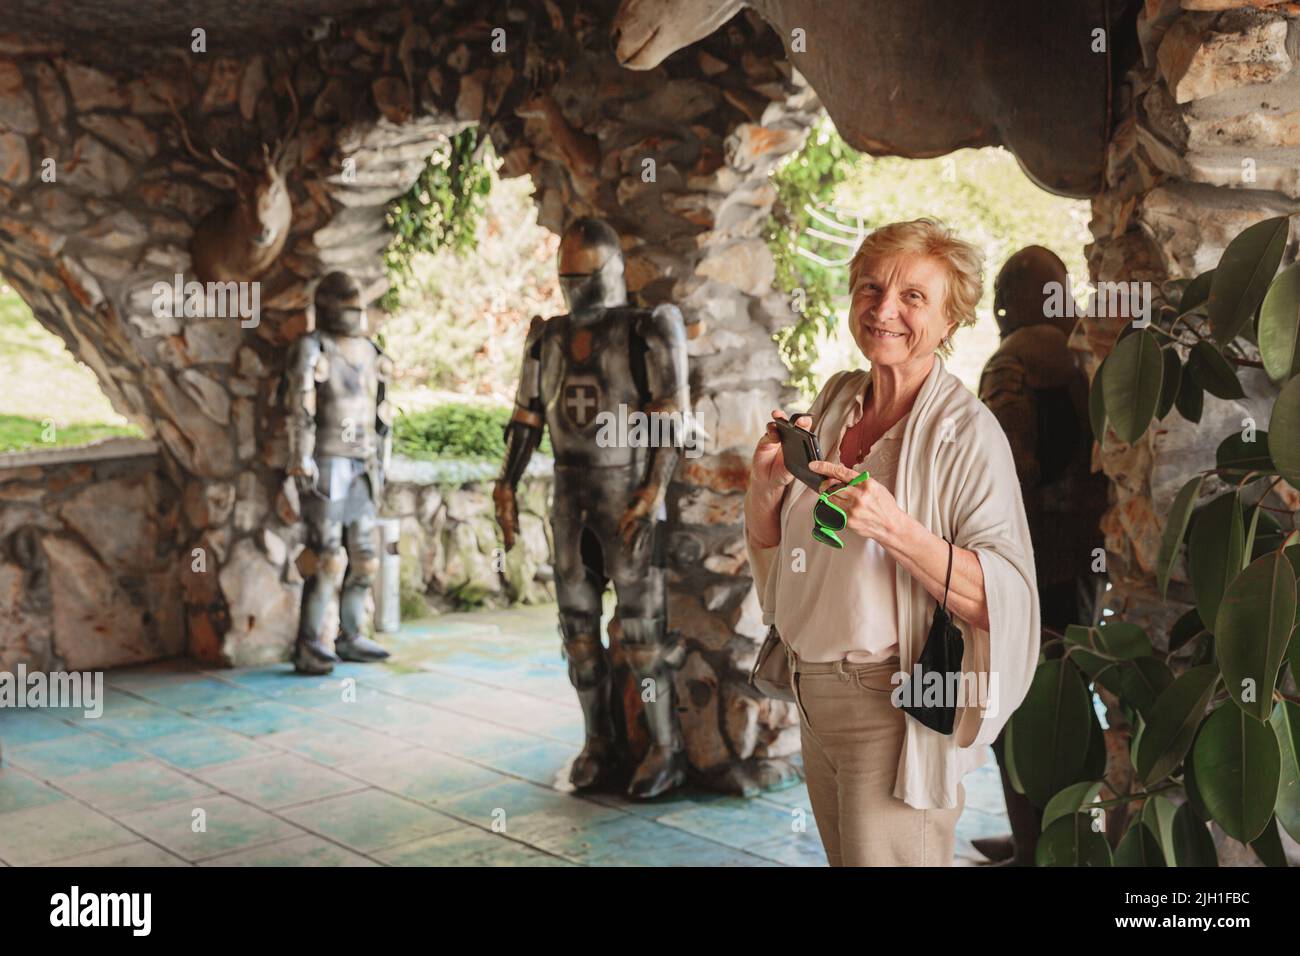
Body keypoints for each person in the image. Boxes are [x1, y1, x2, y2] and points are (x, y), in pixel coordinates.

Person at [743, 218, 1041, 866]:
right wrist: (766, 489)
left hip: (892, 708)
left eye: (914, 297)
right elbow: (790, 553)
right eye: (871, 288)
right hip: (811, 693)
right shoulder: (835, 402)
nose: (884, 310)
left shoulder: (968, 434)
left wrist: (895, 529)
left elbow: (1004, 596)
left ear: (950, 320)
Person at [493, 217, 693, 799]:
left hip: (627, 492)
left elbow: (669, 418)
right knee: (577, 634)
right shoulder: (546, 336)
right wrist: (506, 482)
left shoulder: (649, 327)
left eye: (584, 275)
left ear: (609, 272)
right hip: (569, 494)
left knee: (645, 638)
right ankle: (598, 742)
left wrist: (653, 490)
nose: (575, 288)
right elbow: (527, 417)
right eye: (566, 276)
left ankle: (664, 748)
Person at [973, 245, 1109, 865]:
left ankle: (1033, 847)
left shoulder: (1016, 359)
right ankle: (1053, 836)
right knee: (1069, 703)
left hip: (1031, 563)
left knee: (1018, 709)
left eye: (1004, 292)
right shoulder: (1085, 355)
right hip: (1088, 555)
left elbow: (1009, 468)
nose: (999, 305)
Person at [286, 270, 394, 674]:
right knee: (328, 557)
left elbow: (383, 413)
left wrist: (382, 462)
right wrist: (301, 456)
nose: (354, 315)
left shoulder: (371, 350)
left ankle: (350, 636)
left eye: (356, 307)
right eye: (347, 307)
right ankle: (309, 643)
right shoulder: (313, 348)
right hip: (328, 458)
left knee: (365, 557)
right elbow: (301, 407)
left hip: (362, 461)